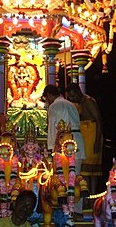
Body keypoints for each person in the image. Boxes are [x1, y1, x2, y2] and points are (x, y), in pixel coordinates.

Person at [42, 84, 86, 220]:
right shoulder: (70, 104)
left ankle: (67, 211)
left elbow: (52, 129)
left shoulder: (54, 106)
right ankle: (77, 211)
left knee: (63, 177)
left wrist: (50, 149)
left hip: (64, 144)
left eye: (46, 97)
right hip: (77, 139)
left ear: (49, 95)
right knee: (76, 175)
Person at [66, 83, 103, 195]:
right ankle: (87, 196)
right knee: (85, 169)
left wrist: (97, 141)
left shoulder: (88, 101)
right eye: (70, 97)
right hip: (84, 136)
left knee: (92, 169)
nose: (72, 99)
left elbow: (99, 121)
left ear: (78, 92)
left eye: (73, 96)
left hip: (93, 135)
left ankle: (92, 195)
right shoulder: (78, 104)